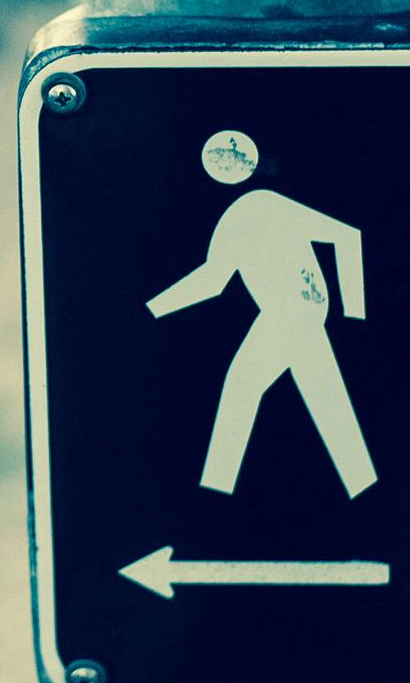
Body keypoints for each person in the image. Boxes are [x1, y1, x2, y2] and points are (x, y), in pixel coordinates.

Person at [147, 130, 376, 499]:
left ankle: (214, 496)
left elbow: (346, 237)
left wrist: (355, 315)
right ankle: (365, 488)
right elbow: (213, 281)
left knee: (242, 385)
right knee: (325, 397)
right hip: (293, 314)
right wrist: (154, 310)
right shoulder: (232, 220)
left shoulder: (263, 204)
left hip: (293, 311)